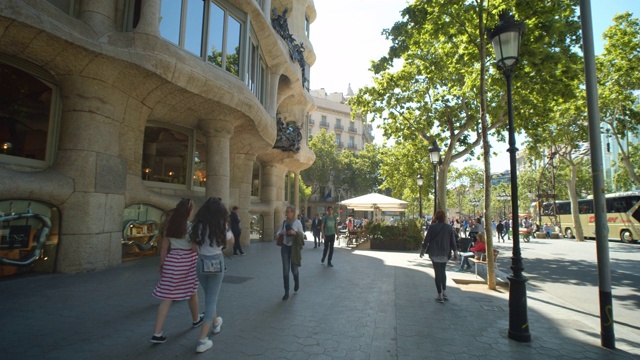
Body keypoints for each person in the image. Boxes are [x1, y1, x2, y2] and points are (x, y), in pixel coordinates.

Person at [150, 198, 202, 344]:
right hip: (188, 261)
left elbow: (164, 248)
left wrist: (162, 265)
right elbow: (194, 248)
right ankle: (196, 319)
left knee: (167, 296)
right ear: (188, 211)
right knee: (192, 291)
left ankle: (157, 332)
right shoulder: (191, 228)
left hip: (172, 260)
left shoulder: (169, 226)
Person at [190, 197, 234, 353]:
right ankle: (202, 340)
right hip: (216, 262)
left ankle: (216, 323)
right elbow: (232, 241)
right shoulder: (222, 225)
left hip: (200, 263)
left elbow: (194, 247)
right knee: (211, 300)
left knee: (209, 295)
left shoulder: (198, 225)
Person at [420, 210, 458, 303]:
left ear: (436, 217)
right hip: (445, 253)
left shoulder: (432, 227)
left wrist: (423, 250)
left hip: (434, 252)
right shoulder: (449, 228)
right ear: (444, 217)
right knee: (443, 272)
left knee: (437, 273)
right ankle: (444, 292)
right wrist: (455, 252)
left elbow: (427, 239)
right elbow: (452, 241)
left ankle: (439, 295)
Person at [277, 206, 304, 300]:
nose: (286, 213)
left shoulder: (297, 222)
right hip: (285, 247)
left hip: (294, 249)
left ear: (293, 213)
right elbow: (278, 233)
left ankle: (296, 281)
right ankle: (286, 291)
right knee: (285, 270)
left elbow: (302, 235)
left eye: (288, 212)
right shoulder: (284, 222)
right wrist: (282, 233)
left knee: (294, 270)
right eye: (286, 212)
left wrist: (295, 232)